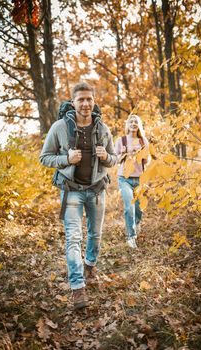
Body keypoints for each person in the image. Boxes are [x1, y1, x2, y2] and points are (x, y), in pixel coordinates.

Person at [40, 82, 117, 309]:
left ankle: (90, 264)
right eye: (80, 99)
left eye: (89, 99)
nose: (85, 104)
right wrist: (66, 159)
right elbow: (44, 157)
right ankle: (78, 288)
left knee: (95, 234)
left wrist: (106, 157)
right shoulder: (59, 128)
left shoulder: (103, 129)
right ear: (73, 102)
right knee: (73, 238)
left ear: (94, 102)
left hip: (96, 191)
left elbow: (114, 159)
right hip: (70, 190)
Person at [114, 114, 150, 249]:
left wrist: (140, 154)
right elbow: (115, 160)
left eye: (136, 122)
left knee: (139, 209)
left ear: (139, 125)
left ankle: (136, 223)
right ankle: (131, 237)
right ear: (127, 124)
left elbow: (147, 161)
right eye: (131, 121)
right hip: (124, 179)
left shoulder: (143, 141)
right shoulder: (121, 140)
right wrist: (124, 153)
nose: (133, 123)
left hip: (140, 179)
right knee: (129, 207)